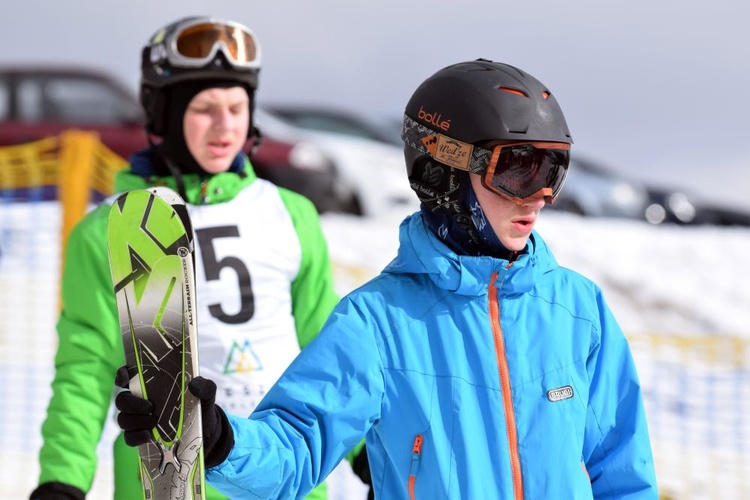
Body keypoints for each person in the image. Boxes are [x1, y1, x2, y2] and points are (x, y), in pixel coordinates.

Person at [116, 58, 659, 498]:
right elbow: (296, 444)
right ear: (443, 170)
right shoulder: (377, 322)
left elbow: (623, 476)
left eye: (554, 170)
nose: (541, 193)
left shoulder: (576, 310)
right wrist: (218, 441)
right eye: (519, 167)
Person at [30, 16, 367, 500]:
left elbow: (325, 348)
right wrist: (61, 481)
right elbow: (84, 370)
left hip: (281, 474)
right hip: (169, 480)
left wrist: (366, 454)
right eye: (204, 108)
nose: (225, 124)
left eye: (237, 106)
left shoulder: (290, 214)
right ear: (164, 114)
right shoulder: (110, 232)